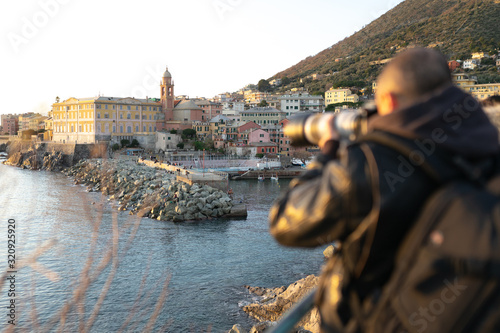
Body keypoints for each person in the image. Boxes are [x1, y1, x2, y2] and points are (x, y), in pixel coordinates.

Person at [269, 48, 500, 332]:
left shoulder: (372, 163)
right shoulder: (488, 146)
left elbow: (285, 223)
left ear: (388, 101)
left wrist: (328, 151)